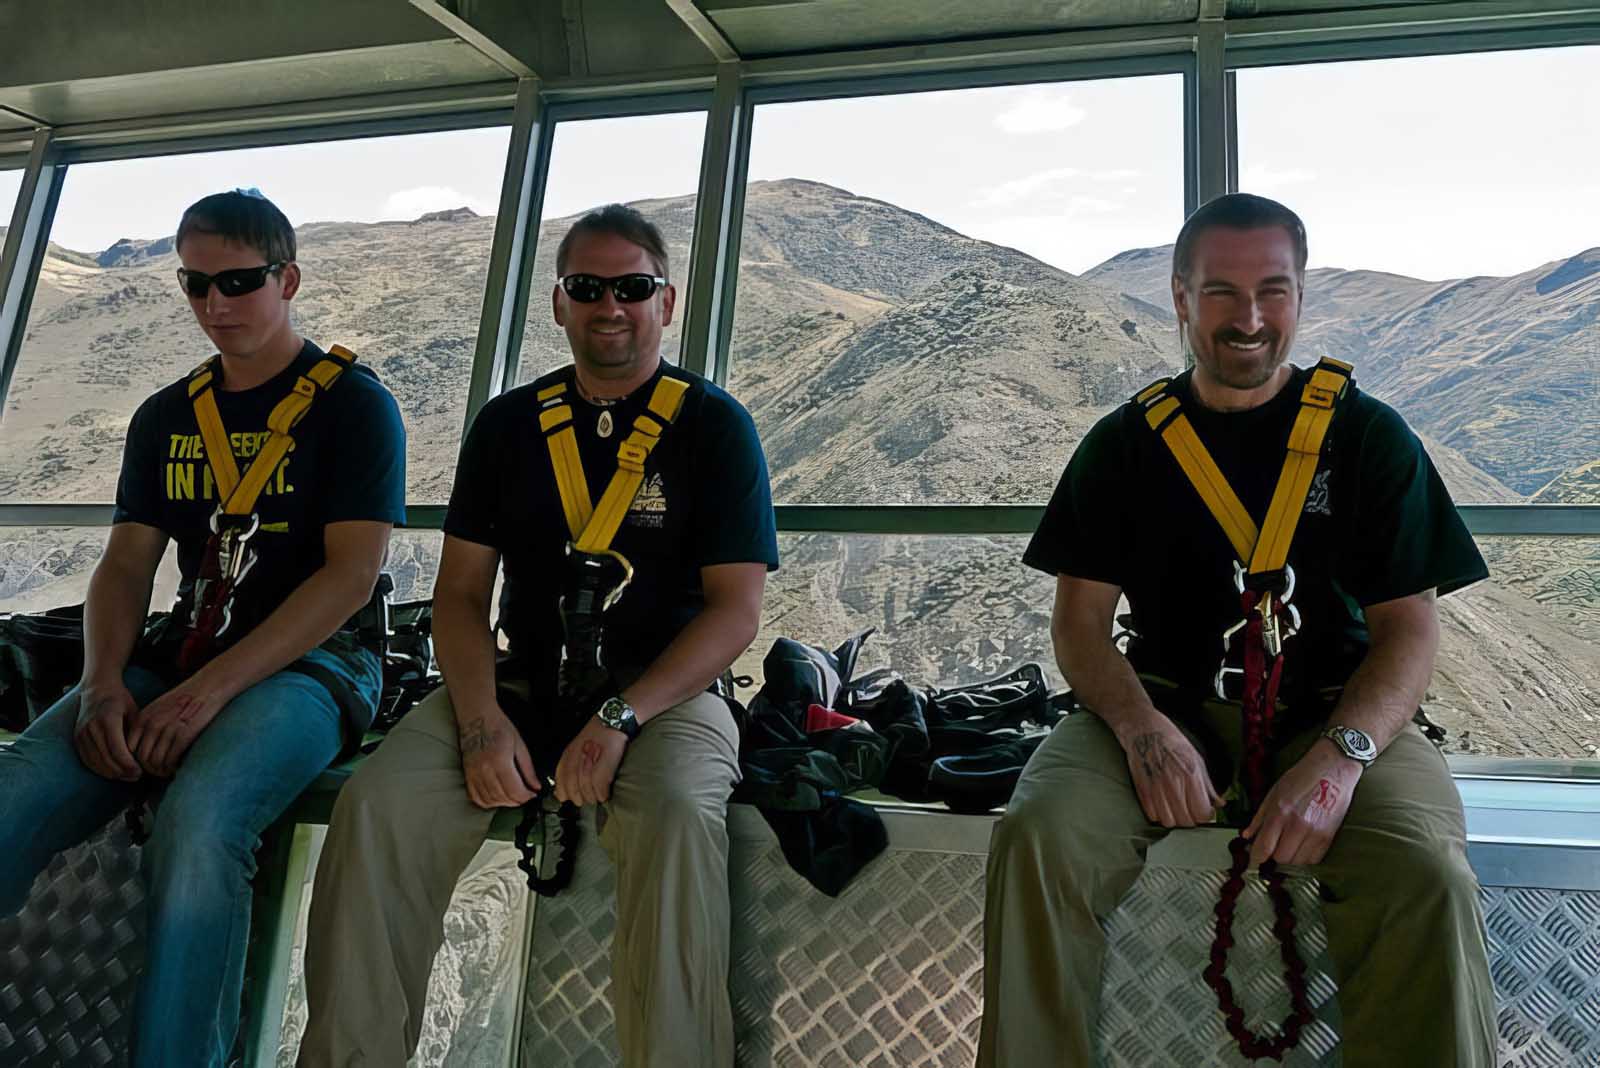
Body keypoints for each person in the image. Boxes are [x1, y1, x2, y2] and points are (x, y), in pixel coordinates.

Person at [977, 193, 1496, 1067]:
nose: (1248, 319)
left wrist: (1340, 760)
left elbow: (1409, 631)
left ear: (1300, 295)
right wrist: (1142, 732)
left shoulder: (1368, 439)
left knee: (1426, 873)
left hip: (1339, 711)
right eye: (1220, 292)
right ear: (1180, 297)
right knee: (1039, 838)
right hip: (1164, 703)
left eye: (1273, 290)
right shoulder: (1126, 446)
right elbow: (1080, 627)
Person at [297, 203, 778, 1068]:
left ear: (667, 301)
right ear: (558, 304)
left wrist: (622, 718)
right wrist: (479, 723)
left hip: (665, 698)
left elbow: (734, 612)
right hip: (520, 686)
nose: (610, 305)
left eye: (632, 286)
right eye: (587, 287)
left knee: (674, 817)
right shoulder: (511, 427)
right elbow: (460, 597)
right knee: (377, 810)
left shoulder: (714, 428)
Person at [0, 188, 406, 1068]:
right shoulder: (169, 414)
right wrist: (102, 684)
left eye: (239, 281)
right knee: (19, 787)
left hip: (316, 666)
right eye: (195, 285)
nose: (216, 305)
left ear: (287, 278)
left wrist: (203, 697)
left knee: (203, 820)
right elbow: (125, 566)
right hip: (180, 652)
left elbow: (350, 578)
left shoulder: (353, 407)